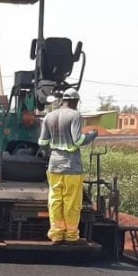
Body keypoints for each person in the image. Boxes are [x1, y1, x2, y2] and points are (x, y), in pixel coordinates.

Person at [38, 88, 98, 245]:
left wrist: (51, 151)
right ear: (75, 102)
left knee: (55, 200)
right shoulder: (75, 115)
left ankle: (56, 234)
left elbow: (42, 142)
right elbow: (77, 140)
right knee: (71, 201)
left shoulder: (49, 116)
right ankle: (71, 235)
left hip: (54, 166)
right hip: (71, 167)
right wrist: (92, 135)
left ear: (63, 100)